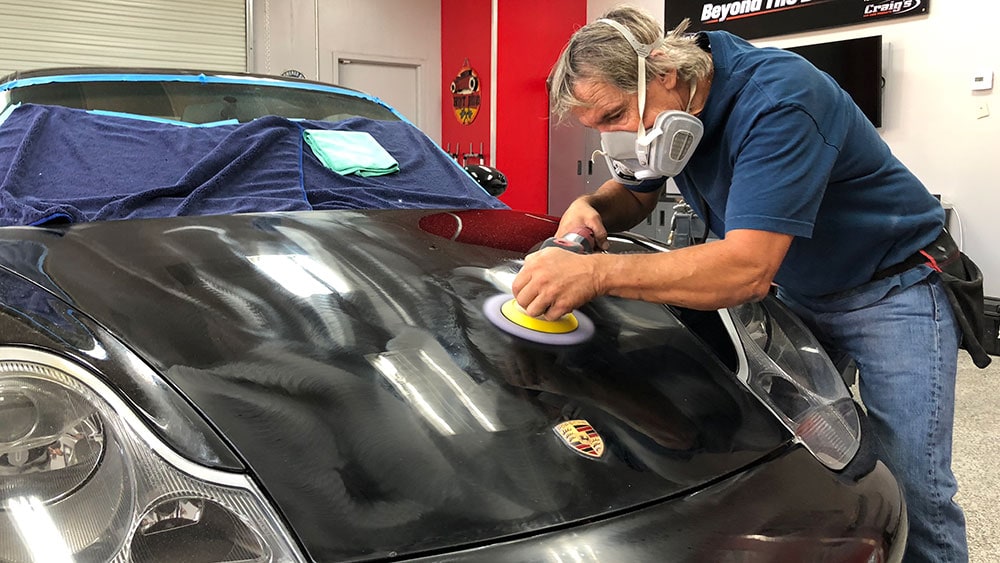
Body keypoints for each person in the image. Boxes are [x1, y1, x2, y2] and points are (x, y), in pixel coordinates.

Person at [512, 6, 978, 562]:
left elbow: (744, 269)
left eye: (615, 115)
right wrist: (589, 207)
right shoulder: (676, 104)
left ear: (662, 70)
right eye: (600, 128)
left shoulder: (781, 101)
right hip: (802, 290)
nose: (618, 137)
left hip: (890, 287)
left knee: (912, 485)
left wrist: (595, 273)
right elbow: (635, 194)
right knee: (789, 460)